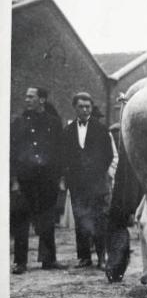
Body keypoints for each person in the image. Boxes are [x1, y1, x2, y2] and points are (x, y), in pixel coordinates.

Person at [10, 87, 66, 274]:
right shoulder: (18, 123)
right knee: (21, 220)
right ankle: (20, 262)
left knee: (47, 219)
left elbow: (60, 152)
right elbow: (12, 152)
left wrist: (59, 178)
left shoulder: (54, 123)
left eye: (31, 96)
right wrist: (14, 180)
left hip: (47, 180)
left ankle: (48, 259)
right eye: (26, 96)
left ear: (41, 100)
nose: (26, 99)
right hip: (25, 180)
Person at [61, 92, 113, 269]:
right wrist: (70, 177)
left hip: (96, 183)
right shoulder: (67, 131)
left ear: (91, 108)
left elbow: (108, 155)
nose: (84, 110)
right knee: (81, 219)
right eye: (81, 107)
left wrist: (97, 173)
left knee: (100, 219)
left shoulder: (100, 129)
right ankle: (84, 257)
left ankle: (102, 257)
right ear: (75, 108)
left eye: (87, 107)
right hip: (77, 185)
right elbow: (64, 157)